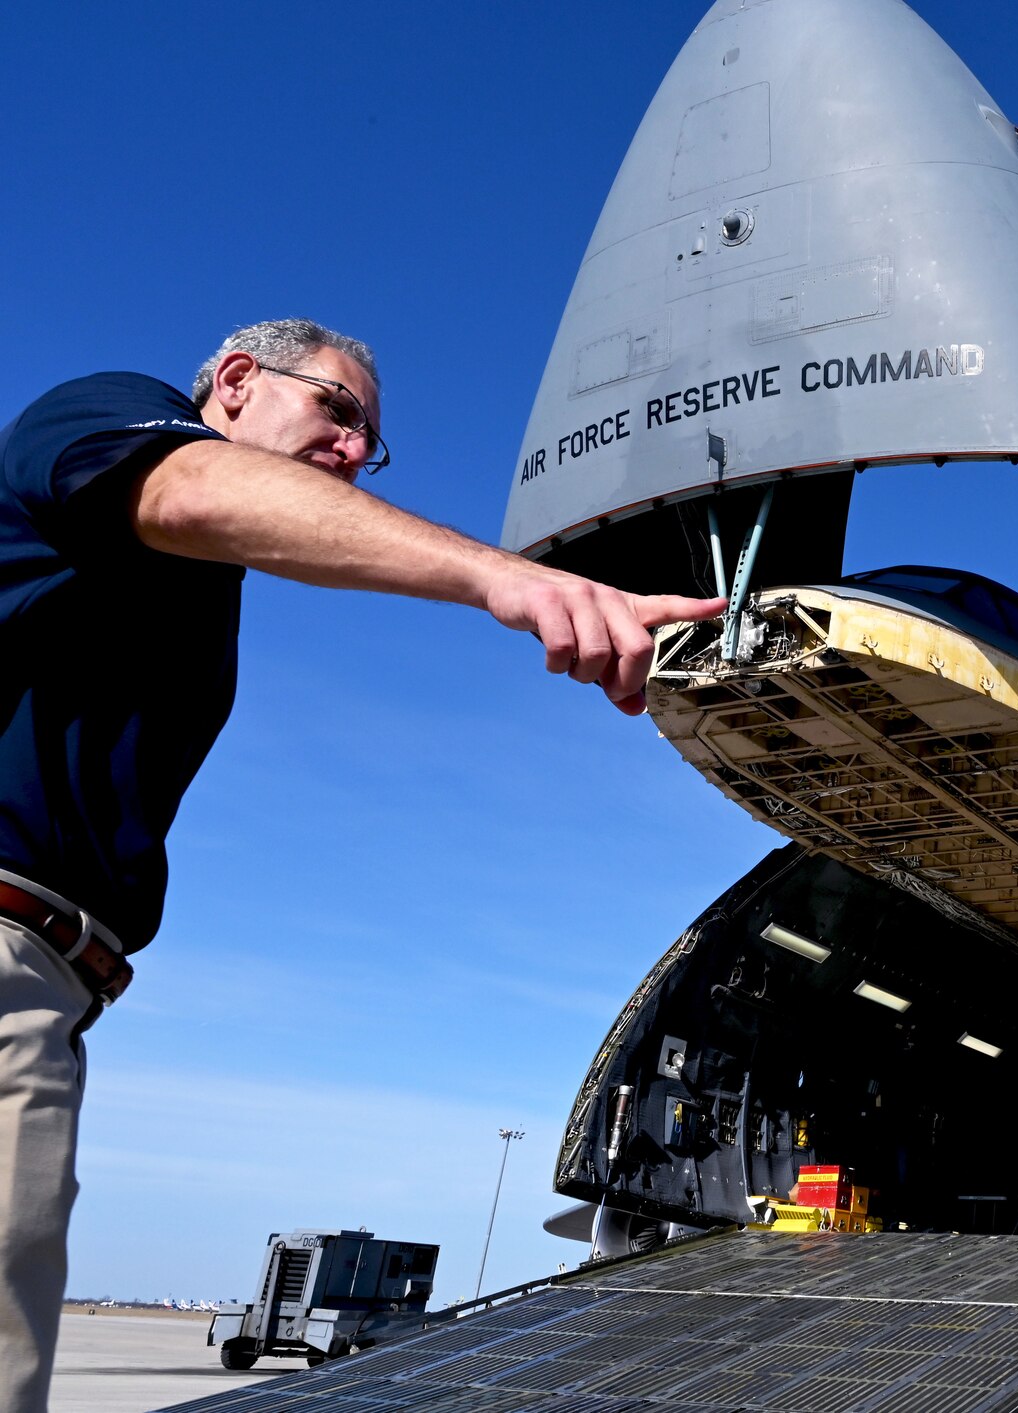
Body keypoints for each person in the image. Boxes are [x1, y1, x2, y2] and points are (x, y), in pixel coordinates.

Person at [0, 319, 723, 1411]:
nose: (351, 450)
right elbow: (194, 490)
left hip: (53, 979)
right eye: (336, 410)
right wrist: (509, 582)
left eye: (368, 441)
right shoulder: (104, 414)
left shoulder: (192, 590)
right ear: (235, 382)